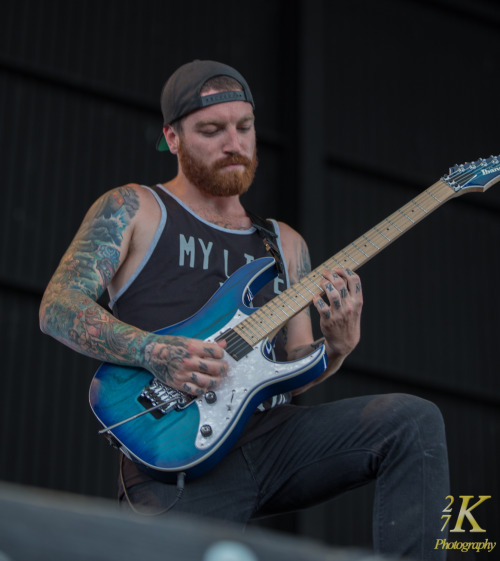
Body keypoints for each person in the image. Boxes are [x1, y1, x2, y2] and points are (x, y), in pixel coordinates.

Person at [40, 60, 449, 560]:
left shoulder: (283, 243)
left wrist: (336, 348)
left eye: (244, 127)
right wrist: (155, 351)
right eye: (211, 130)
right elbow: (58, 306)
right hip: (174, 452)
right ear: (172, 137)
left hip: (273, 440)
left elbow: (295, 368)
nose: (233, 142)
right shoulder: (135, 207)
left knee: (411, 421)